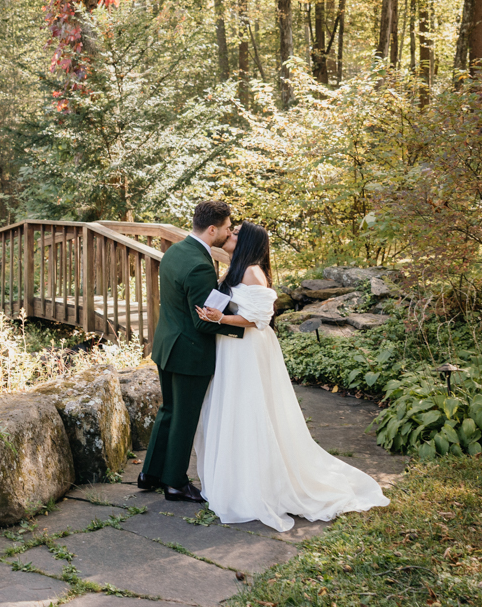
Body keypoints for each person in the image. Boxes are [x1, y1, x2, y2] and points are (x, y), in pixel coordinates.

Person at [194, 222, 389, 531]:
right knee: (234, 409)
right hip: (232, 347)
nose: (229, 235)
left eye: (235, 233)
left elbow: (259, 318)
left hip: (248, 349)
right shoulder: (236, 269)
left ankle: (258, 485)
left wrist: (222, 317)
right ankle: (238, 478)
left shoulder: (252, 272)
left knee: (251, 409)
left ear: (245, 243)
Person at [139, 200, 245, 502]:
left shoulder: (176, 250)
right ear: (212, 229)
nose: (228, 233)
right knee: (184, 417)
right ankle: (174, 482)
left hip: (167, 345)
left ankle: (150, 473)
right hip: (189, 352)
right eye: (226, 228)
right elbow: (204, 323)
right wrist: (245, 330)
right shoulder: (201, 266)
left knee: (169, 411)